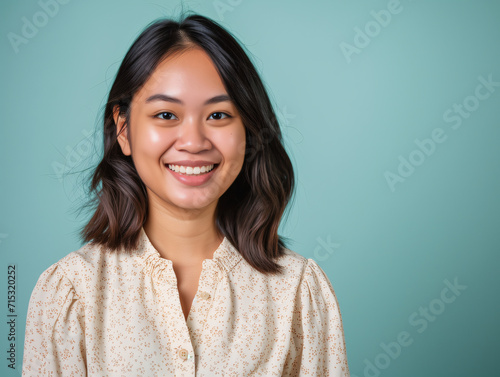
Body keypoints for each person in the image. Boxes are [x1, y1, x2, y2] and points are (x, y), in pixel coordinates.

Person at [22, 12, 350, 376]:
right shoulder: (72, 293)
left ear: (249, 132)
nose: (193, 143)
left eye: (218, 115)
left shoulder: (298, 293)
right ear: (124, 130)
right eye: (165, 114)